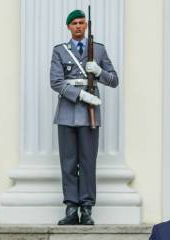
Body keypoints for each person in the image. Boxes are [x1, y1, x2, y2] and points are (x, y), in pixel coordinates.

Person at [50, 9, 119, 225]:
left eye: (81, 23)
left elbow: (114, 80)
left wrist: (98, 72)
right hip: (68, 112)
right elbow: (56, 82)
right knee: (68, 162)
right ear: (68, 27)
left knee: (88, 162)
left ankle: (87, 207)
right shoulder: (60, 51)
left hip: (90, 115)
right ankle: (72, 207)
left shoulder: (98, 50)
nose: (78, 26)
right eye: (74, 23)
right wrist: (80, 95)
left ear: (85, 26)